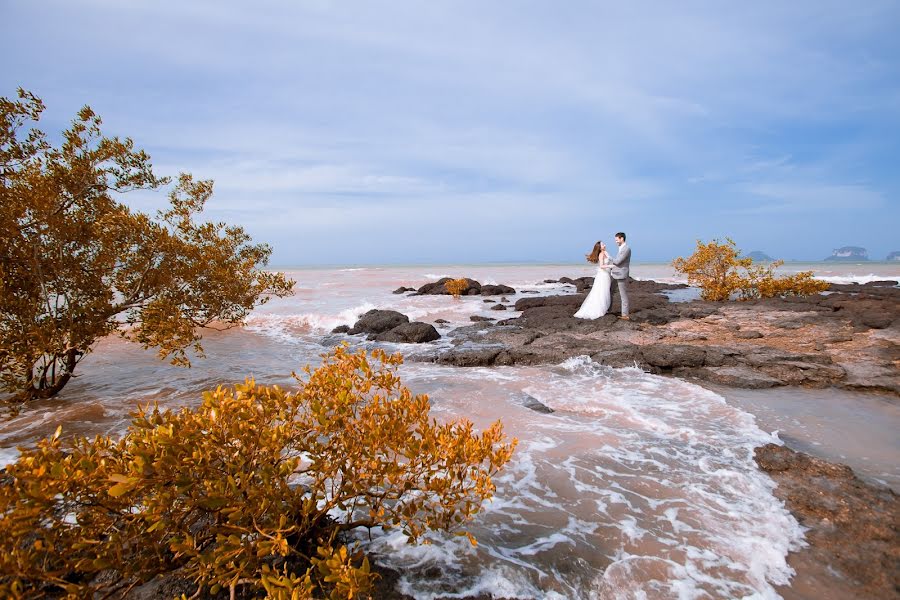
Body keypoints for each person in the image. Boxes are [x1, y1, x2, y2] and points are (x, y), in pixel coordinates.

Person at [574, 241, 612, 319]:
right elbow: (601, 266)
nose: (604, 245)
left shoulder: (605, 252)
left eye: (604, 244)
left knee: (605, 291)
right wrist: (613, 266)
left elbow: (611, 259)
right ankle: (599, 309)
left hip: (607, 275)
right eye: (602, 244)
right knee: (601, 292)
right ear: (599, 247)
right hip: (603, 275)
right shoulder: (601, 254)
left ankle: (604, 308)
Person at [603, 232, 631, 319]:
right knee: (610, 291)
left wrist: (608, 255)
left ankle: (625, 315)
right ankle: (608, 310)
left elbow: (618, 261)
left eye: (617, 240)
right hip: (615, 274)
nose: (616, 242)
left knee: (623, 295)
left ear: (622, 238)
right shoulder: (621, 248)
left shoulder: (626, 249)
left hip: (621, 275)